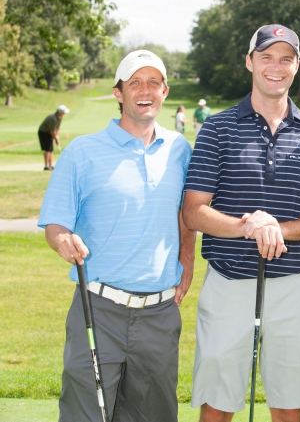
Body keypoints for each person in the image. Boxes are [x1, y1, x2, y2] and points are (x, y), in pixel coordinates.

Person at [182, 24, 300, 422]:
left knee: (288, 403)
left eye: (286, 58)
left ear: (297, 66)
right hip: (229, 280)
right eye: (266, 56)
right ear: (250, 62)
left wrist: (276, 229)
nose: (276, 66)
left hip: (293, 285)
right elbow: (194, 210)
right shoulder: (217, 128)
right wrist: (249, 225)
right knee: (218, 399)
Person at [38, 50, 195, 422]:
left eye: (153, 82)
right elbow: (56, 224)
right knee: (85, 414)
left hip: (159, 312)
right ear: (118, 92)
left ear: (165, 91)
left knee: (153, 415)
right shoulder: (82, 152)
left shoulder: (179, 149)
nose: (145, 90)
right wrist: (62, 241)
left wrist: (187, 258)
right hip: (98, 307)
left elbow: (186, 215)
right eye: (134, 82)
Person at [38, 105, 69, 170]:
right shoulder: (53, 119)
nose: (64, 114)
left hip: (50, 132)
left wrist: (57, 134)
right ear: (60, 112)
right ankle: (46, 166)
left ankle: (51, 165)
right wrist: (56, 139)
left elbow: (59, 126)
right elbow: (52, 131)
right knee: (47, 149)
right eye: (64, 112)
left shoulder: (59, 117)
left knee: (51, 149)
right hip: (44, 132)